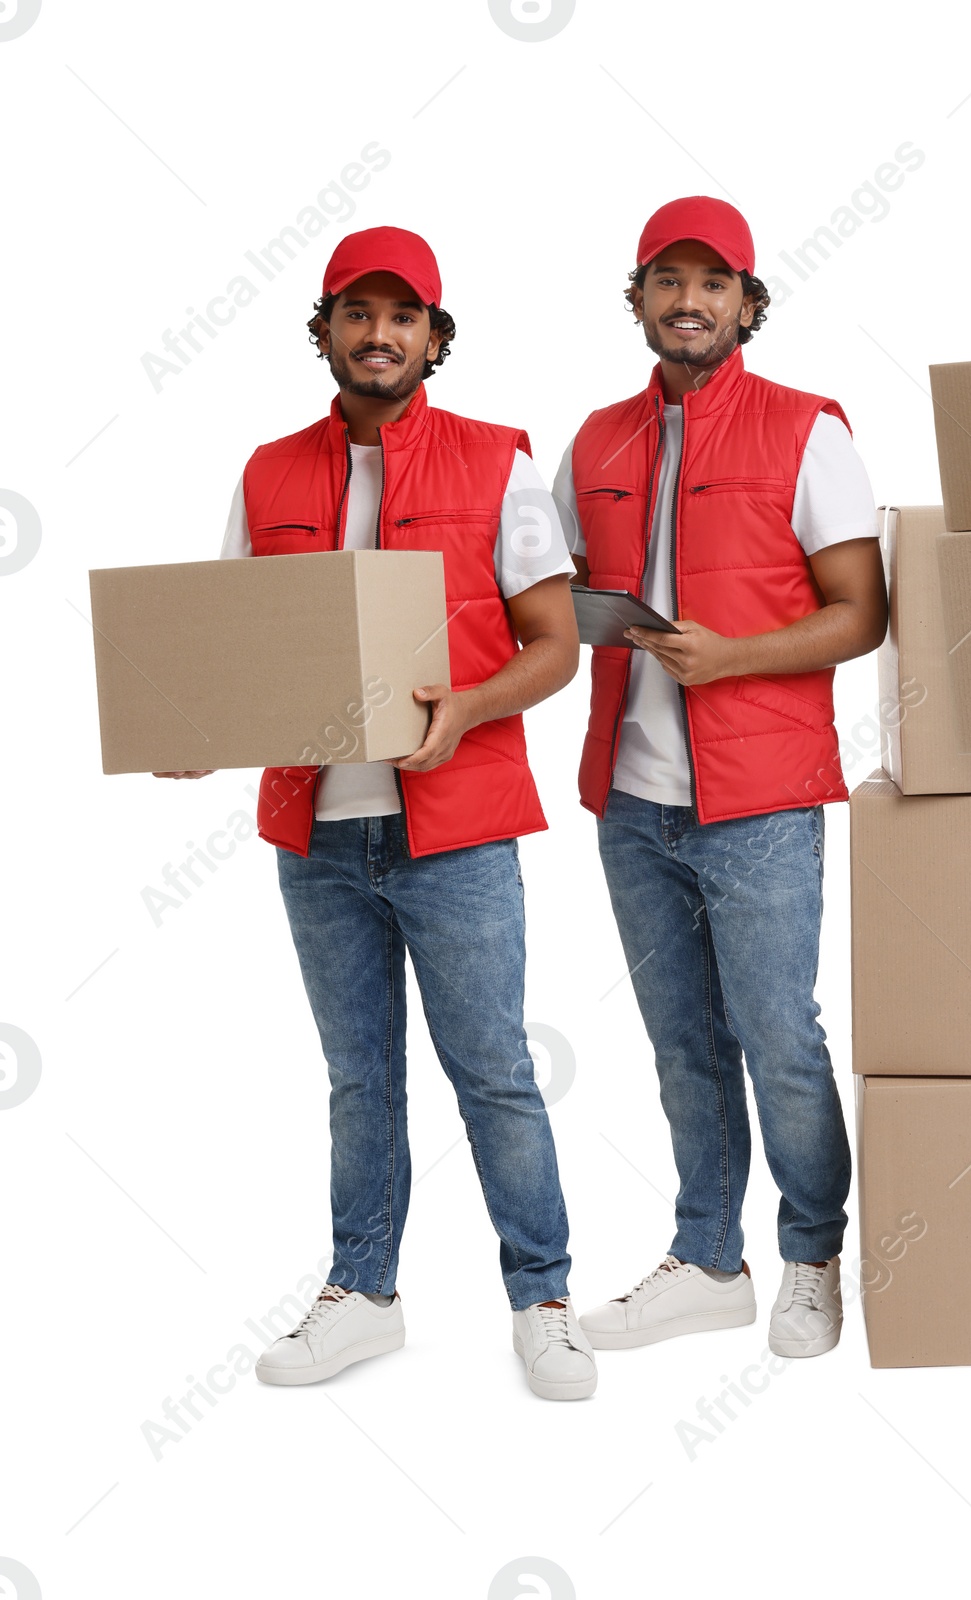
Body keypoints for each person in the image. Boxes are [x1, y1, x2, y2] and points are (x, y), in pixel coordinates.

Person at [156, 226, 596, 1400]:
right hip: (321, 834)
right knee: (360, 1075)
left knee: (493, 1068)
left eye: (404, 316)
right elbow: (234, 652)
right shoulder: (266, 474)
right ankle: (364, 1292)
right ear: (325, 332)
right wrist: (193, 729)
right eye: (358, 311)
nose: (380, 333)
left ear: (435, 339)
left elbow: (553, 648)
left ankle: (543, 1297)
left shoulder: (500, 464)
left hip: (457, 823)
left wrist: (468, 706)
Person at [554, 197, 886, 1359]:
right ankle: (707, 1256)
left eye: (713, 283)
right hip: (634, 800)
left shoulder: (808, 432)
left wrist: (733, 655)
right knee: (682, 1039)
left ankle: (812, 1256)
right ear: (639, 297)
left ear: (748, 304)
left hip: (761, 800)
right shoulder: (595, 440)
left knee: (776, 1032)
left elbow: (864, 613)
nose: (688, 301)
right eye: (666, 280)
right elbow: (543, 601)